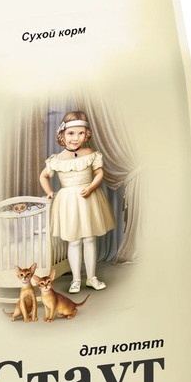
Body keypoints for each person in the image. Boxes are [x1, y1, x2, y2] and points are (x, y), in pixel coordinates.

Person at [39, 111, 116, 293]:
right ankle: (76, 279)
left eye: (81, 133)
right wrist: (49, 192)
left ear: (86, 134)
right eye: (71, 133)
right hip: (69, 203)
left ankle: (91, 277)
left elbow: (99, 173)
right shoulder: (57, 159)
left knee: (89, 239)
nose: (76, 138)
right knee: (73, 241)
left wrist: (91, 187)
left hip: (88, 199)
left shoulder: (90, 154)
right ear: (62, 135)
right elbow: (43, 176)